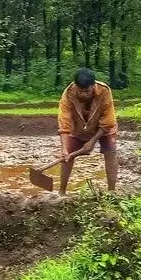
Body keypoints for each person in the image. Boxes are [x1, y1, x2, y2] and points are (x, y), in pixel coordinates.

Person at [57, 67, 118, 195]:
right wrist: (64, 149)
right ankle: (61, 192)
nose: (84, 94)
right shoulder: (69, 94)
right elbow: (64, 122)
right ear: (76, 86)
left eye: (87, 91)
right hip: (78, 127)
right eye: (81, 91)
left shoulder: (104, 91)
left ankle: (112, 192)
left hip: (103, 128)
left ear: (93, 85)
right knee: (67, 155)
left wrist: (92, 141)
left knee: (110, 152)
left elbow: (108, 120)